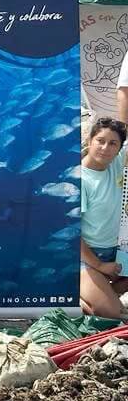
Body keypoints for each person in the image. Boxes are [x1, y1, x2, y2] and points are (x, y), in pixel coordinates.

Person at [80, 117, 128, 319]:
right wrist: (99, 266)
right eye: (100, 140)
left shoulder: (116, 162)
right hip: (88, 257)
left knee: (108, 308)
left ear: (119, 149)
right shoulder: (79, 179)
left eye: (113, 143)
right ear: (89, 141)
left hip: (117, 251)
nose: (105, 148)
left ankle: (102, 291)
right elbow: (72, 235)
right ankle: (81, 290)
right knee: (112, 314)